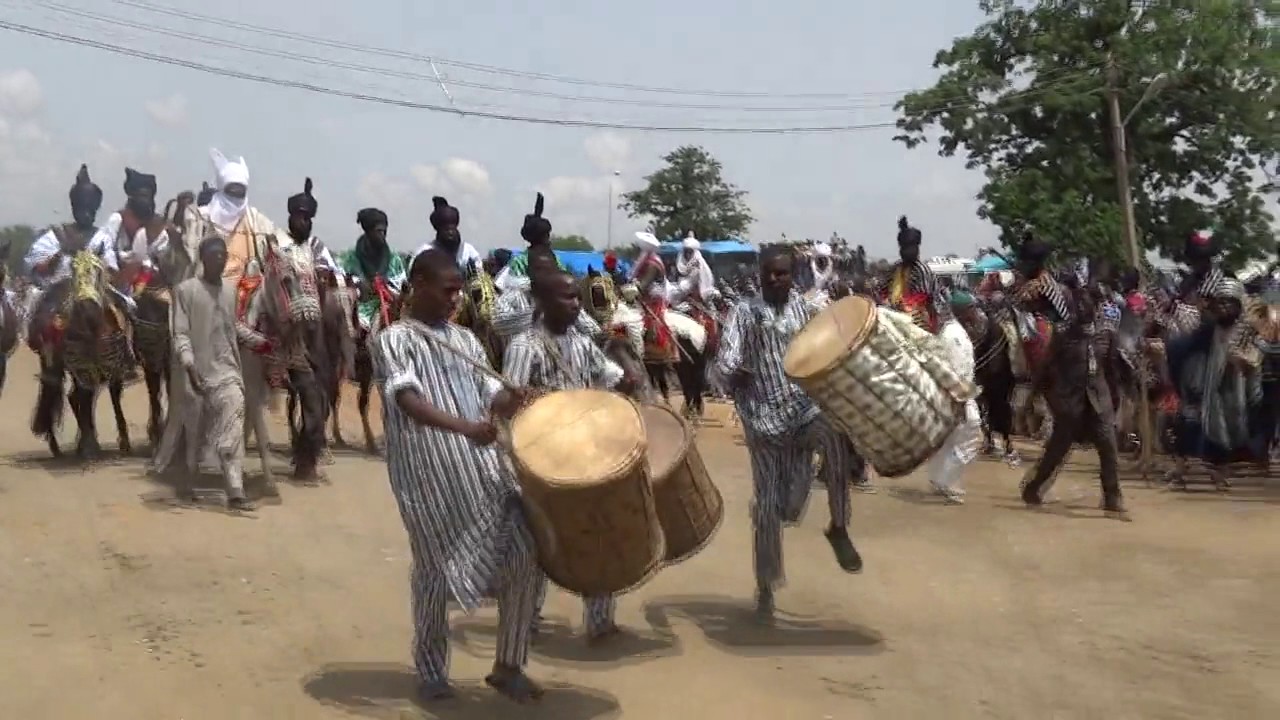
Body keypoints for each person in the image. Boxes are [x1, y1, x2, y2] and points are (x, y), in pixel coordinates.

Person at [372, 248, 542, 703]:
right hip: (429, 478)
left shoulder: (467, 341)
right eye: (448, 290)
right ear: (419, 284)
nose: (455, 299)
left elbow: (493, 400)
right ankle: (431, 671)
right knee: (433, 571)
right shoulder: (393, 339)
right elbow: (406, 400)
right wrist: (468, 428)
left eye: (459, 291)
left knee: (525, 552)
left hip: (483, 471)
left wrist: (513, 398)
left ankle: (508, 665)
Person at [716, 245, 863, 619]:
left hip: (802, 411)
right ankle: (766, 586)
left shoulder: (808, 309)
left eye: (781, 273)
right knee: (772, 509)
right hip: (762, 420)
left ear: (793, 274)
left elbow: (836, 341)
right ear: (760, 273)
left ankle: (839, 524)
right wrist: (734, 372)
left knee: (834, 433)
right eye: (768, 272)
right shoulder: (743, 312)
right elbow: (726, 360)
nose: (774, 279)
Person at [504, 268, 637, 643]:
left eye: (578, 297)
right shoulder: (523, 347)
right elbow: (510, 403)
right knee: (539, 542)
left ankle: (600, 621)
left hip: (584, 453)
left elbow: (608, 377)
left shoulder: (581, 343)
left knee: (599, 532)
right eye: (567, 298)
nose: (576, 304)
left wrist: (626, 370)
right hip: (541, 458)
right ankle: (526, 619)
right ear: (543, 303)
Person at [152, 234, 264, 511]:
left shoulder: (229, 290)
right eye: (214, 255)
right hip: (195, 371)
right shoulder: (186, 291)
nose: (220, 259)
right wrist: (189, 366)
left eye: (223, 255)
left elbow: (233, 327)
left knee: (234, 413)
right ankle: (188, 480)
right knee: (194, 431)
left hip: (227, 370)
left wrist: (260, 341)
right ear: (203, 259)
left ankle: (235, 489)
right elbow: (179, 334)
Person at [1018, 287, 1127, 518]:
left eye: (1087, 305)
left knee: (1108, 447)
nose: (1082, 310)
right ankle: (1034, 487)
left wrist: (1116, 401)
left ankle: (1112, 497)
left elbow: (1112, 371)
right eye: (1078, 306)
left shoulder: (1107, 335)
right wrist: (1033, 397)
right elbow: (1046, 368)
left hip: (1099, 401)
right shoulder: (1063, 335)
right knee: (1056, 452)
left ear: (1096, 308)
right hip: (1070, 404)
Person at [1165, 278, 1263, 490]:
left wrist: (1247, 364)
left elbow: (1257, 356)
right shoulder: (1208, 331)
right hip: (1206, 390)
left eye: (1229, 303)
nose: (1224, 307)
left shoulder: (1247, 330)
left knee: (1231, 432)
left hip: (1235, 390)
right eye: (1221, 303)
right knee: (1190, 427)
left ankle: (1219, 472)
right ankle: (1182, 470)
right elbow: (1186, 351)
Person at [279, 177, 335, 481]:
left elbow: (330, 278)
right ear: (290, 217)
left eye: (309, 217)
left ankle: (306, 455)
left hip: (314, 333)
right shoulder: (277, 245)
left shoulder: (317, 248)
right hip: (284, 330)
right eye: (300, 216)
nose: (305, 222)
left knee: (318, 401)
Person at [926, 291, 983, 504]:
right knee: (972, 435)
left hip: (959, 394)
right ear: (963, 311)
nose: (976, 313)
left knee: (950, 440)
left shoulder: (956, 331)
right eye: (972, 309)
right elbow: (955, 371)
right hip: (957, 395)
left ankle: (938, 478)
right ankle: (946, 480)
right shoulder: (954, 336)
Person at [200, 148, 276, 281]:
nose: (235, 196)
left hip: (247, 290)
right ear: (223, 188)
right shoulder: (202, 218)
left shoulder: (257, 222)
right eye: (231, 190)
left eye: (239, 191)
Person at [882, 216, 949, 333]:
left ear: (917, 248)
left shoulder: (922, 269)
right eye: (904, 248)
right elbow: (884, 290)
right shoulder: (894, 268)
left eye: (911, 248)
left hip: (920, 314)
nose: (907, 251)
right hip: (894, 311)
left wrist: (901, 305)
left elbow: (922, 297)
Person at [346, 208, 407, 332]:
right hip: (360, 308)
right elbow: (344, 284)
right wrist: (360, 286)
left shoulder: (394, 259)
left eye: (385, 231)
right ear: (367, 231)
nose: (383, 235)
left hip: (389, 307)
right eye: (379, 231)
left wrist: (386, 288)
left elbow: (401, 287)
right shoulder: (349, 258)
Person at [495, 192, 568, 292]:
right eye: (545, 236)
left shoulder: (555, 259)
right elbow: (515, 291)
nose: (548, 239)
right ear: (536, 238)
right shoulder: (520, 262)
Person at [412, 195, 482, 272]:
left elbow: (479, 276)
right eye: (446, 229)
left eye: (452, 229)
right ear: (438, 230)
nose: (450, 233)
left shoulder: (468, 252)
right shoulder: (424, 252)